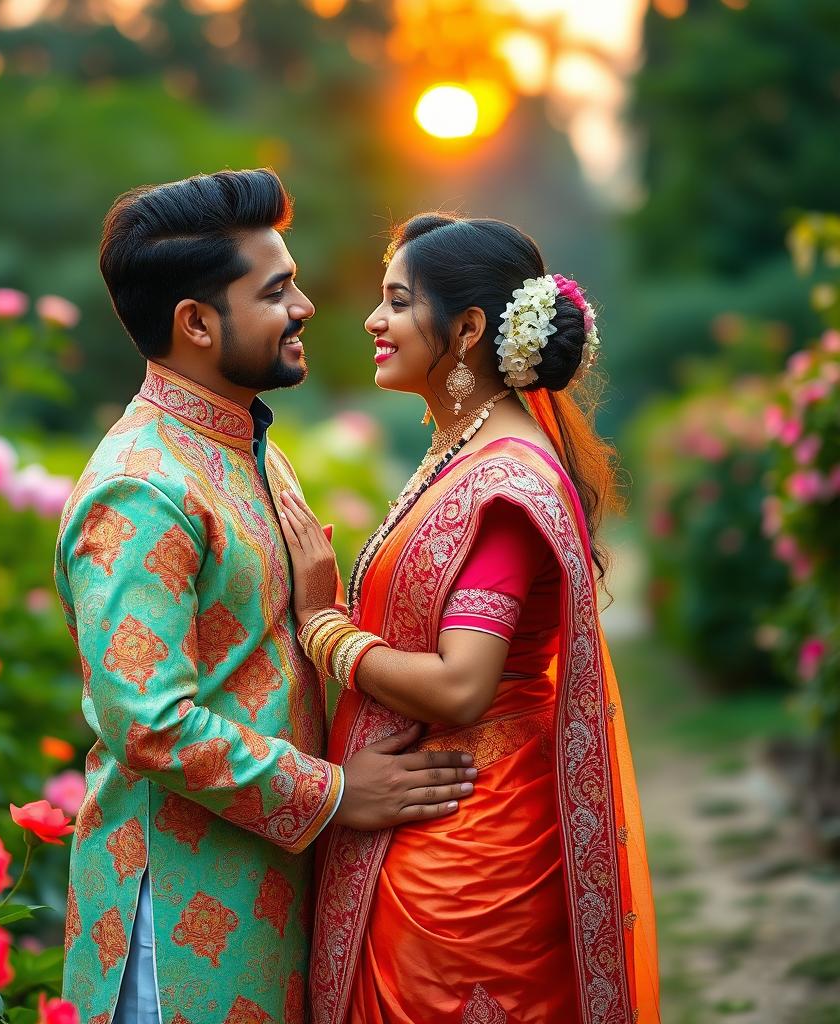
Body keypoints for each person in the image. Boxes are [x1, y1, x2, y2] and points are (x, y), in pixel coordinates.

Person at [54, 171, 478, 1024]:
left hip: (271, 887)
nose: (308, 305)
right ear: (198, 323)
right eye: (277, 289)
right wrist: (331, 792)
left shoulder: (246, 447)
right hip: (177, 919)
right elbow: (147, 719)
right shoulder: (143, 487)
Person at [279, 213, 660, 1024]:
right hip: (444, 821)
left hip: (468, 857)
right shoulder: (466, 451)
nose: (374, 322)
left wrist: (323, 627)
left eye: (396, 301)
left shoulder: (503, 483)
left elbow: (461, 687)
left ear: (468, 328)